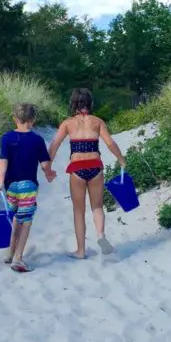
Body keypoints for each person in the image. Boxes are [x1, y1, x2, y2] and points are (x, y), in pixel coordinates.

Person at [47, 88, 127, 259]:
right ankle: (101, 236)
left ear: (73, 104)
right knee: (97, 206)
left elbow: (54, 145)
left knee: (78, 211)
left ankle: (81, 251)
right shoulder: (98, 121)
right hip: (95, 167)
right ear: (90, 103)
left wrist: (48, 168)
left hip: (77, 168)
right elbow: (110, 143)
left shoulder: (67, 123)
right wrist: (121, 159)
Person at [0, 103, 56, 273]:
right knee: (26, 220)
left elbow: (3, 161)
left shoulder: (6, 138)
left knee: (16, 218)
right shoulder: (37, 140)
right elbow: (45, 165)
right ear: (33, 120)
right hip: (28, 186)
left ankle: (10, 252)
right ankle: (18, 258)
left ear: (15, 119)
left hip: (11, 187)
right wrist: (50, 174)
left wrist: (0, 182)